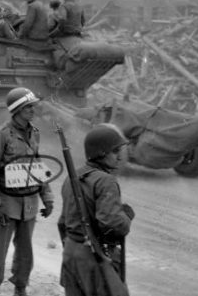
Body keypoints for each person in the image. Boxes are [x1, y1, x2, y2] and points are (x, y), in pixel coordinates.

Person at [0, 88, 54, 296]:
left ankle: (20, 288)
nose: (33, 110)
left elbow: (37, 166)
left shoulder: (34, 133)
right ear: (18, 110)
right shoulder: (0, 135)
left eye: (33, 106)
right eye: (29, 107)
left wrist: (47, 198)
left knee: (25, 253)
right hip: (6, 204)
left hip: (29, 204)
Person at [57, 124, 135, 296]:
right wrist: (127, 217)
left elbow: (63, 222)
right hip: (94, 255)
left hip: (71, 252)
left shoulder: (71, 179)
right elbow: (111, 224)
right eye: (115, 151)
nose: (119, 157)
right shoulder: (106, 181)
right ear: (102, 153)